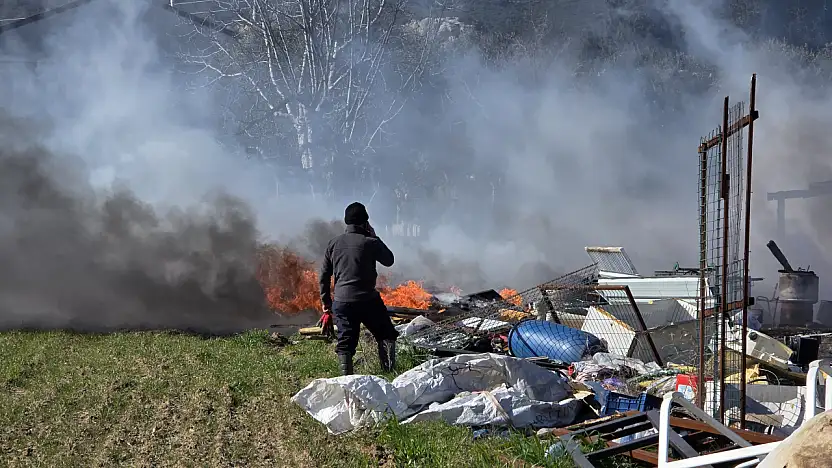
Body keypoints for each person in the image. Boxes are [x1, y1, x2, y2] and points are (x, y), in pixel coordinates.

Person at [319, 202, 399, 375]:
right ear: (365, 222)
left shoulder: (333, 244)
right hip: (367, 300)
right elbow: (389, 260)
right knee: (387, 335)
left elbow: (324, 276)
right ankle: (390, 373)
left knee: (345, 344)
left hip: (341, 302)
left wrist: (326, 303)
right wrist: (375, 237)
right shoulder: (370, 242)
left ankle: (347, 383)